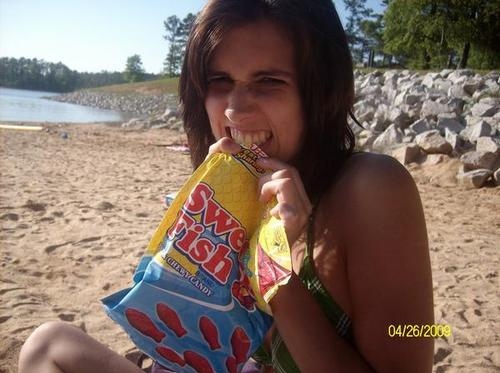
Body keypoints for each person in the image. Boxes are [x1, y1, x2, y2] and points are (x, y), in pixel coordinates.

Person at [18, 0, 434, 372]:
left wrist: (273, 274)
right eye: (219, 81)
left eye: (269, 81)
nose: (234, 109)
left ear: (320, 91)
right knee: (47, 344)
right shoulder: (234, 190)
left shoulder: (371, 189)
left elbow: (411, 336)